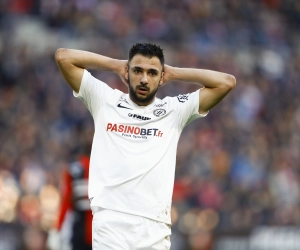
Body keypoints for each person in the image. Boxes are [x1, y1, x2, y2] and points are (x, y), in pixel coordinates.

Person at [55, 43, 236, 249]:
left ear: (161, 77)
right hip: (111, 223)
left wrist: (173, 73)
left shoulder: (174, 109)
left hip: (154, 227)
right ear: (128, 72)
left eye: (152, 73)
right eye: (137, 70)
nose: (143, 79)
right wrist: (115, 65)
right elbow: (63, 57)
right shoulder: (106, 100)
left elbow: (226, 82)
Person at [47, 124, 93, 250]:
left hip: (103, 231)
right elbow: (66, 202)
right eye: (86, 134)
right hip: (80, 232)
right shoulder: (74, 169)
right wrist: (57, 229)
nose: (89, 138)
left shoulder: (108, 165)